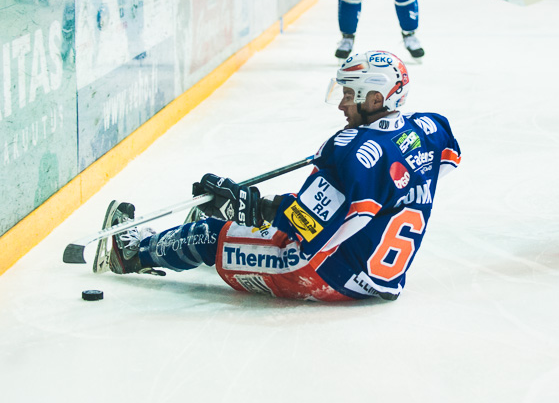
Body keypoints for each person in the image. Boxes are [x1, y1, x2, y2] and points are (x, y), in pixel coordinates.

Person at [92, 50, 461, 301]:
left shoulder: (354, 149)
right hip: (382, 279)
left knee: (209, 234)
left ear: (376, 100)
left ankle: (129, 254)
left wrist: (247, 208)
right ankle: (226, 239)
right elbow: (437, 170)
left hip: (323, 273)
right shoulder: (430, 128)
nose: (342, 103)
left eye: (351, 94)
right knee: (254, 227)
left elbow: (306, 226)